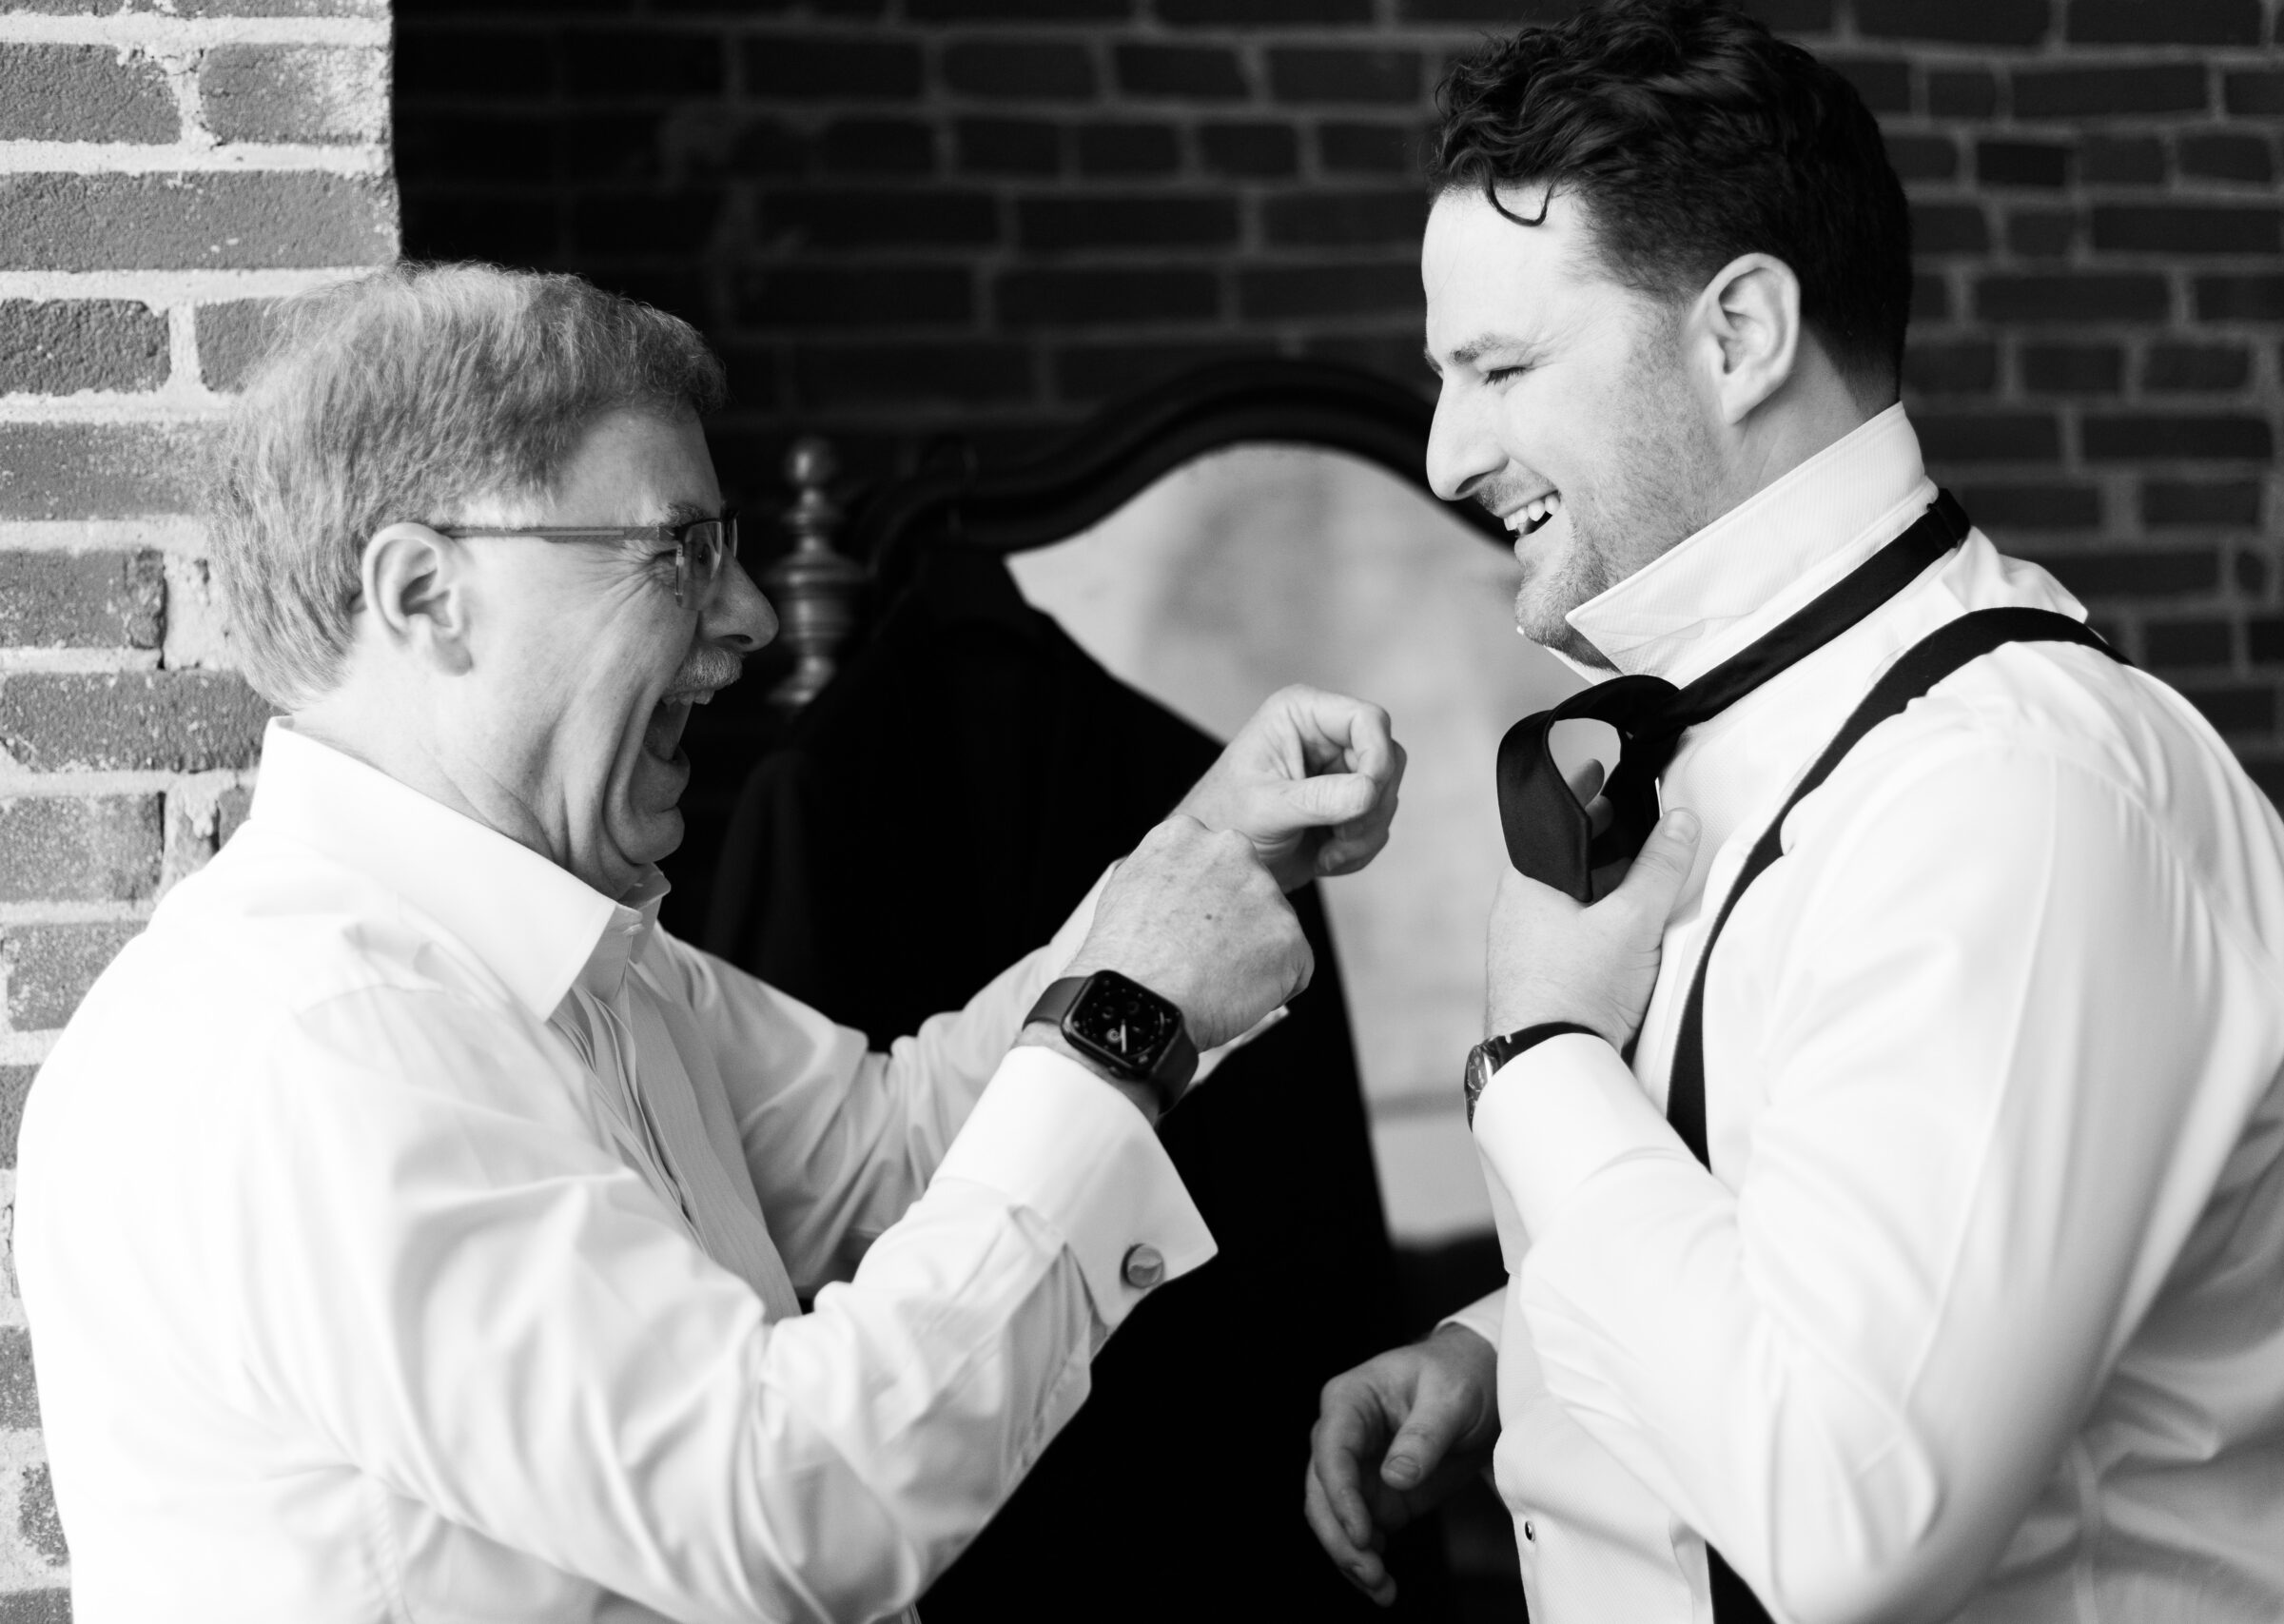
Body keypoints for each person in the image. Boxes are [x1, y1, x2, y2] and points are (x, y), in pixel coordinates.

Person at [16, 262, 1410, 1624]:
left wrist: (1193, 864)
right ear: (427, 594)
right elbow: (786, 1509)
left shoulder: (576, 958)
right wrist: (1127, 1018)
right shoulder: (322, 1037)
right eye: (677, 549)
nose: (747, 616)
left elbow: (892, 1150)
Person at [1302, 5, 2284, 1621]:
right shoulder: (1766, 733)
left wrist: (1543, 1061)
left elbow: (1854, 1512)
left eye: (1500, 369)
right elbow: (1839, 1239)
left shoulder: (2009, 795)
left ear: (1741, 334)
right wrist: (1514, 1351)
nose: (1448, 454)